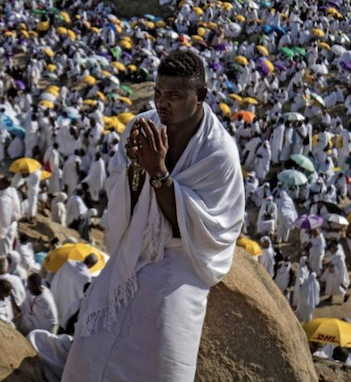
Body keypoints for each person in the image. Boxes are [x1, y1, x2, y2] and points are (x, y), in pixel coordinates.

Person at [62, 51, 245, 382]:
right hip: (137, 242)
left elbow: (199, 230)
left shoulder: (218, 154)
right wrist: (136, 167)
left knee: (164, 343)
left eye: (174, 96)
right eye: (159, 93)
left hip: (182, 256)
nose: (162, 103)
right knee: (92, 339)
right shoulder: (141, 125)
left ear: (200, 96)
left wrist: (158, 173)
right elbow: (128, 203)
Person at [50, 255, 98, 320]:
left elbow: (57, 277)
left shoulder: (69, 263)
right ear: (90, 265)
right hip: (68, 304)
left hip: (58, 295)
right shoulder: (86, 277)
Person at [0, 177, 21, 257]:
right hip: (12, 224)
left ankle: (3, 266)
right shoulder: (12, 191)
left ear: (5, 185)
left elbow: (4, 220)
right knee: (7, 246)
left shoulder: (2, 200)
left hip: (3, 229)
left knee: (2, 251)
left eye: (0, 183)